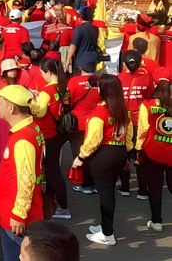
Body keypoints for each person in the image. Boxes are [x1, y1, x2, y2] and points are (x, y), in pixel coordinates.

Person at [71, 73, 132, 245]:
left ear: (104, 90)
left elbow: (93, 139)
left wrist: (81, 157)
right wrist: (125, 153)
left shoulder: (100, 112)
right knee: (108, 191)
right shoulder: (123, 109)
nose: (97, 89)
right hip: (120, 152)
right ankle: (104, 225)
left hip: (103, 155)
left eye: (99, 86)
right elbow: (129, 136)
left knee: (105, 194)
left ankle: (107, 234)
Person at [0, 84, 44, 261]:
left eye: (0, 102)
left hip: (16, 216)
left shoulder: (23, 138)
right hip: (13, 210)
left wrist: (18, 214)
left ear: (11, 108)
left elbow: (26, 179)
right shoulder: (30, 129)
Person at [30, 57, 70, 219]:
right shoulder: (62, 87)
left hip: (46, 134)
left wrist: (32, 101)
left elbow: (39, 112)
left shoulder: (47, 91)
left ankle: (64, 206)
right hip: (57, 132)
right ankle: (52, 202)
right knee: (53, 169)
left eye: (42, 73)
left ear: (47, 72)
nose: (42, 76)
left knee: (53, 172)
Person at [135, 67, 172, 232]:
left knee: (155, 187)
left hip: (153, 152)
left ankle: (156, 222)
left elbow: (143, 130)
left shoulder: (147, 104)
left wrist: (138, 149)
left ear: (155, 83)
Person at [118, 49, 152, 198]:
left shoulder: (118, 79)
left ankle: (125, 188)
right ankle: (142, 191)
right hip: (140, 122)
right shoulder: (147, 78)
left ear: (124, 64)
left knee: (123, 154)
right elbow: (149, 98)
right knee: (140, 155)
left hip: (124, 121)